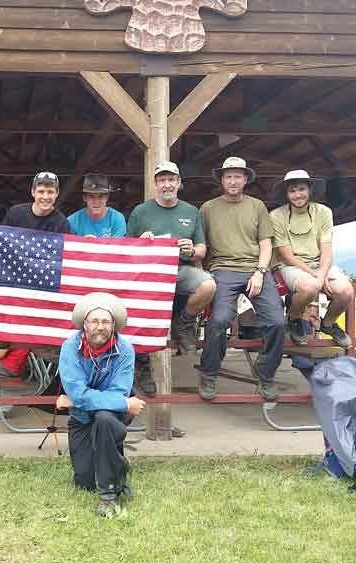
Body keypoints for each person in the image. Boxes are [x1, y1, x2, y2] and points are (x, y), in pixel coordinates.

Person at [199, 157, 285, 401]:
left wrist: (260, 271)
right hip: (222, 269)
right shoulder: (207, 208)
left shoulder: (257, 206)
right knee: (219, 321)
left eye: (238, 176)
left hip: (255, 269)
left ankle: (265, 373)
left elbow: (266, 243)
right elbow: (201, 244)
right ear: (221, 180)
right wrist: (204, 274)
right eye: (228, 176)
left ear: (246, 179)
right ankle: (209, 372)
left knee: (277, 322)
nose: (233, 181)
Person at [55, 292, 144, 517]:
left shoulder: (125, 350)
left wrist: (76, 400)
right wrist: (124, 403)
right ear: (85, 325)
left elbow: (116, 392)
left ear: (113, 325)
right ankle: (119, 467)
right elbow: (79, 392)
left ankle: (108, 496)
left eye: (106, 322)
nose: (100, 326)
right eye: (95, 321)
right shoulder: (69, 348)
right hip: (83, 417)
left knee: (104, 417)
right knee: (84, 481)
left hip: (111, 415)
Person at [127, 161, 215, 355]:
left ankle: (183, 323)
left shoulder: (191, 211)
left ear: (179, 183)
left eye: (171, 179)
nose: (167, 184)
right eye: (162, 180)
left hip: (180, 269)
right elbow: (127, 251)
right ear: (155, 184)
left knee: (208, 286)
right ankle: (141, 361)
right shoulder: (140, 211)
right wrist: (141, 242)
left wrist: (191, 250)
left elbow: (202, 250)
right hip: (149, 273)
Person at [269, 170, 353, 348]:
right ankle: (293, 318)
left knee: (346, 291)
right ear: (286, 193)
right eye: (292, 190)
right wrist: (316, 277)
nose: (297, 194)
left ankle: (328, 324)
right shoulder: (276, 216)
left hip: (320, 262)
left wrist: (321, 274)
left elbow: (327, 249)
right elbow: (286, 255)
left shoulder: (324, 212)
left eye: (301, 189)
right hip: (290, 265)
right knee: (311, 287)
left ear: (310, 189)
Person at [1, 171, 70, 233]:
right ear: (33, 192)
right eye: (41, 192)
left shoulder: (61, 223)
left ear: (57, 193)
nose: (45, 197)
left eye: (50, 192)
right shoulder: (15, 213)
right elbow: (1, 238)